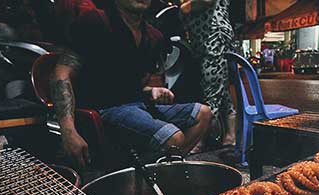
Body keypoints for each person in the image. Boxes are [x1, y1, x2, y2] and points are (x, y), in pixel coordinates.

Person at [50, 0, 212, 168]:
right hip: (105, 109)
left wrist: (152, 91)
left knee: (204, 114)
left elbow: (131, 85)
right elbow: (61, 74)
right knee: (174, 138)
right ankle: (151, 175)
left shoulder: (152, 36)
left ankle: (151, 173)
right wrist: (68, 131)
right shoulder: (96, 21)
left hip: (136, 105)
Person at [179, 0, 236, 146]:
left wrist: (185, 7)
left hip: (213, 40)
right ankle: (231, 137)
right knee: (221, 91)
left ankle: (199, 140)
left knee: (212, 92)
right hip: (203, 40)